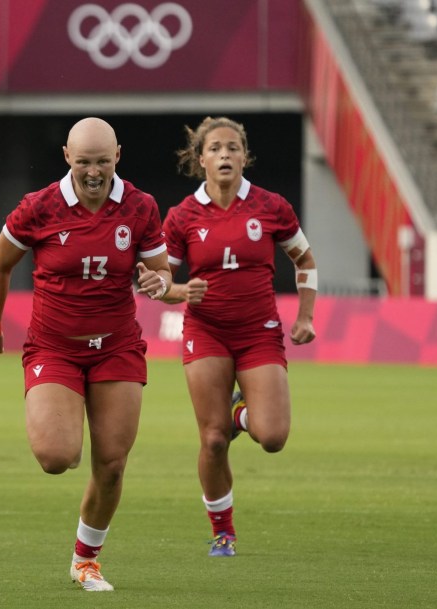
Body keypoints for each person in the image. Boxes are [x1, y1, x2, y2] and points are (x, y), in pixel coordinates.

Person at [0, 117, 171, 592]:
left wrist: (156, 282)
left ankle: (86, 560)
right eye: (84, 162)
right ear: (67, 158)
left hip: (117, 346)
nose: (94, 171)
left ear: (117, 156)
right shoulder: (38, 207)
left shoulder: (140, 207)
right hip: (55, 348)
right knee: (56, 457)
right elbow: (0, 266)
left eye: (102, 161)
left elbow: (161, 273)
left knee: (113, 463)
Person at [159, 116, 317, 557]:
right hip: (205, 330)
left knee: (272, 438)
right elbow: (158, 283)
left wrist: (305, 316)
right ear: (201, 159)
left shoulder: (271, 207)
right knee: (212, 440)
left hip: (259, 332)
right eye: (215, 149)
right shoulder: (181, 217)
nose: (225, 155)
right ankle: (222, 532)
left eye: (233, 148)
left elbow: (305, 261)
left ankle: (239, 414)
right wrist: (177, 291)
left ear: (245, 156)